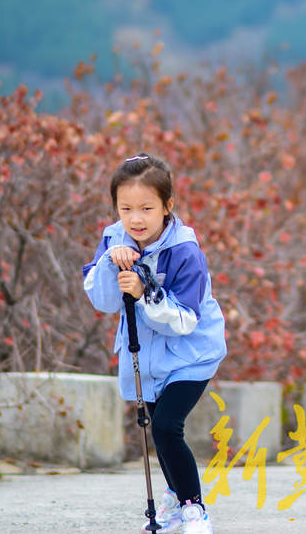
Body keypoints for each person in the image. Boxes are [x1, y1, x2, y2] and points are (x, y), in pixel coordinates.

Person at [83, 153, 226, 534]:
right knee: (155, 427)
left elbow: (185, 320)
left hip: (193, 353)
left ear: (167, 207)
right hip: (147, 356)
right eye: (125, 207)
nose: (136, 218)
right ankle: (175, 497)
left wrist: (146, 293)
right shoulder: (114, 239)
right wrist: (111, 265)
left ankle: (194, 508)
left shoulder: (185, 251)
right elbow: (104, 302)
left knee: (165, 425)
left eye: (147, 207)